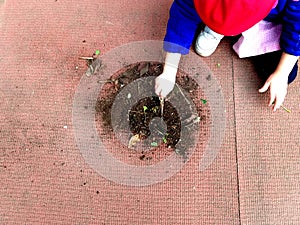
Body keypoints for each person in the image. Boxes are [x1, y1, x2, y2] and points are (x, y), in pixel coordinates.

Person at [155, 0, 300, 112]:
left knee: (288, 73)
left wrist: (281, 72)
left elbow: (296, 26)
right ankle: (217, 25)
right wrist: (169, 71)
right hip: (222, 9)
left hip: (269, 18)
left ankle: (227, 26)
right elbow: (183, 14)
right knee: (193, 18)